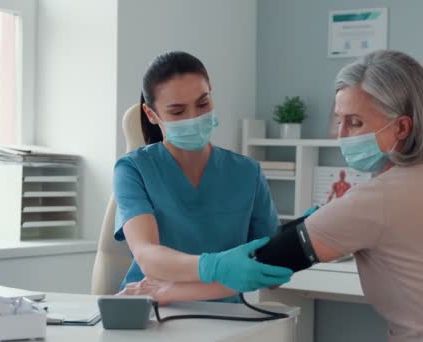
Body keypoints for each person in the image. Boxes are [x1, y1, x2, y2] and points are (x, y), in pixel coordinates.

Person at [128, 50, 423, 341]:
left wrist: (165, 290)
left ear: (402, 127)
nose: (340, 134)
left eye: (355, 122)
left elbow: (267, 263)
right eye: (338, 119)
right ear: (153, 113)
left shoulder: (379, 198)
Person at [113, 51, 292, 303]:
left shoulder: (247, 173)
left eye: (202, 103)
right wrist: (216, 266)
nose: (194, 118)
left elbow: (271, 271)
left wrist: (294, 245)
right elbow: (148, 257)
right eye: (177, 111)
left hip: (223, 318)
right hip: (148, 310)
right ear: (151, 115)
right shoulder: (133, 169)